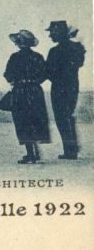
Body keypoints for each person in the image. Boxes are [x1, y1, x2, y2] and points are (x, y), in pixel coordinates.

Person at [3, 30, 50, 164]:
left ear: (18, 43)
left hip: (20, 91)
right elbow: (44, 74)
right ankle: (36, 152)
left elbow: (7, 74)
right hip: (35, 91)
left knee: (22, 121)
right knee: (35, 119)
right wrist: (34, 81)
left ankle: (30, 154)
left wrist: (16, 81)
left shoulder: (15, 57)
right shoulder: (38, 57)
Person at [45, 20, 86, 159]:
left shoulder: (54, 51)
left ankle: (70, 150)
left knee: (61, 118)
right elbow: (79, 63)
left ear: (58, 33)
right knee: (68, 115)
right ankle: (72, 148)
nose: (50, 35)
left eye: (52, 32)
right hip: (72, 86)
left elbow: (48, 72)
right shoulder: (77, 48)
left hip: (58, 88)